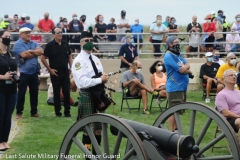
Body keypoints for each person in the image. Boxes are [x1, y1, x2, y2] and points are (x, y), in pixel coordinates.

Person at [71, 31, 109, 156]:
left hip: (98, 94)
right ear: (81, 42)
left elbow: (100, 74)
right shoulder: (78, 61)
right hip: (87, 94)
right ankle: (88, 157)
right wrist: (100, 79)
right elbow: (82, 82)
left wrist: (103, 77)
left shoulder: (96, 59)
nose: (89, 43)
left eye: (91, 40)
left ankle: (97, 155)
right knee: (87, 129)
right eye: (86, 40)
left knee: (98, 129)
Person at [41, 27, 72, 117]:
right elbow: (43, 58)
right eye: (58, 33)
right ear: (53, 34)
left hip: (65, 72)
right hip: (55, 72)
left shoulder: (66, 44)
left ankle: (67, 111)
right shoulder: (50, 45)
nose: (60, 34)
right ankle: (58, 111)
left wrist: (71, 68)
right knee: (56, 92)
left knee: (66, 92)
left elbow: (70, 56)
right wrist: (50, 69)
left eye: (61, 32)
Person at [14, 27, 44, 119]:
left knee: (34, 93)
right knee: (21, 93)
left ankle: (34, 112)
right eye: (26, 33)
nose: (28, 34)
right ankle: (19, 112)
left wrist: (30, 51)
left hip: (34, 72)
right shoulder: (18, 44)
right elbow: (24, 55)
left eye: (29, 33)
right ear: (21, 34)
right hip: (24, 72)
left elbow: (41, 51)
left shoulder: (33, 43)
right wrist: (34, 52)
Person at [164, 36, 192, 132]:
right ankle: (171, 131)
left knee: (178, 110)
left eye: (178, 42)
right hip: (174, 87)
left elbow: (187, 64)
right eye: (175, 42)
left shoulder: (178, 55)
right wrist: (189, 71)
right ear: (170, 44)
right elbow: (182, 70)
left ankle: (176, 129)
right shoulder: (168, 56)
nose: (178, 44)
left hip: (181, 87)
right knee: (172, 110)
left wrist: (187, 68)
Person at [0, 30, 18, 151]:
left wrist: (16, 76)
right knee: (0, 116)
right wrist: (4, 77)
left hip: (12, 89)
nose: (8, 38)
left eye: (9, 37)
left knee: (8, 117)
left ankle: (5, 141)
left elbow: (17, 68)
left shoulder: (12, 53)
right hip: (0, 89)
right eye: (6, 37)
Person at [215, 69, 240, 143]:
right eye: (231, 75)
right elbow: (226, 113)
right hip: (229, 121)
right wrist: (238, 117)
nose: (234, 77)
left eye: (235, 75)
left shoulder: (239, 92)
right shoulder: (221, 95)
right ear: (224, 79)